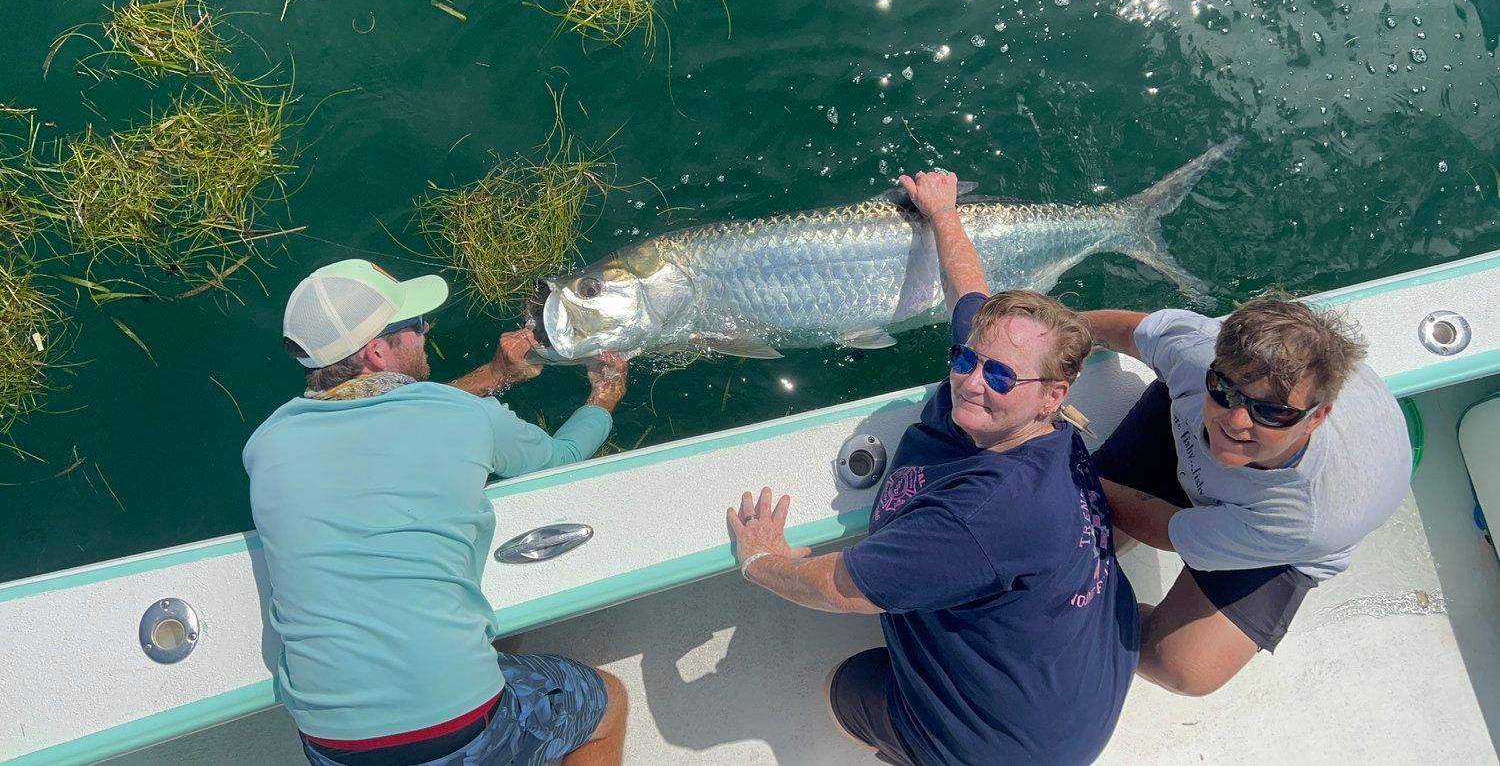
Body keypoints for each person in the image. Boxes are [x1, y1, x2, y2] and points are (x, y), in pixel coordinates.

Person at [724, 172, 1139, 766]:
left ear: (1053, 394)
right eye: (967, 358)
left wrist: (763, 563)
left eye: (999, 378)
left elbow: (840, 590)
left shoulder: (977, 520)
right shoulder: (1040, 424)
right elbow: (967, 289)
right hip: (1082, 686)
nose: (971, 382)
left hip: (1005, 750)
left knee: (842, 686)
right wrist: (942, 211)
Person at [244, 258, 631, 766]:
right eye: (412, 325)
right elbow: (559, 456)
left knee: (500, 642)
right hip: (460, 728)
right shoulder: (464, 416)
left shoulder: (266, 444)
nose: (426, 329)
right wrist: (605, 398)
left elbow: (392, 416)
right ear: (377, 351)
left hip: (330, 744)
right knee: (608, 704)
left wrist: (494, 376)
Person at [1083, 297, 1410, 696]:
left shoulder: (1306, 519)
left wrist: (1070, 471)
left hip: (1274, 535)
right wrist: (1049, 337)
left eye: (1271, 413)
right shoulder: (1198, 352)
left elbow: (1167, 530)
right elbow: (1126, 330)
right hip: (1184, 437)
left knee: (1183, 668)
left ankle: (1083, 619)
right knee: (1076, 538)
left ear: (1316, 418)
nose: (1236, 422)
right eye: (1224, 390)